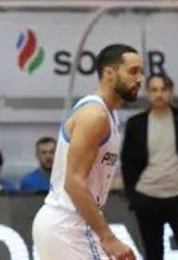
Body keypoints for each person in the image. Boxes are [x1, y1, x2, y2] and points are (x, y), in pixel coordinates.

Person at [32, 44, 144, 260]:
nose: (139, 79)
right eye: (133, 71)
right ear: (109, 73)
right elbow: (74, 182)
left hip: (68, 223)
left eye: (141, 72)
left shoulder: (110, 115)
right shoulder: (95, 115)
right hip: (68, 224)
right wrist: (108, 237)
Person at [121, 75, 178, 260]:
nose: (159, 94)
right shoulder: (136, 124)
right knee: (153, 253)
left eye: (163, 89)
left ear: (171, 92)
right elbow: (128, 163)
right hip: (147, 197)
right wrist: (134, 197)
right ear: (147, 93)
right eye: (154, 90)